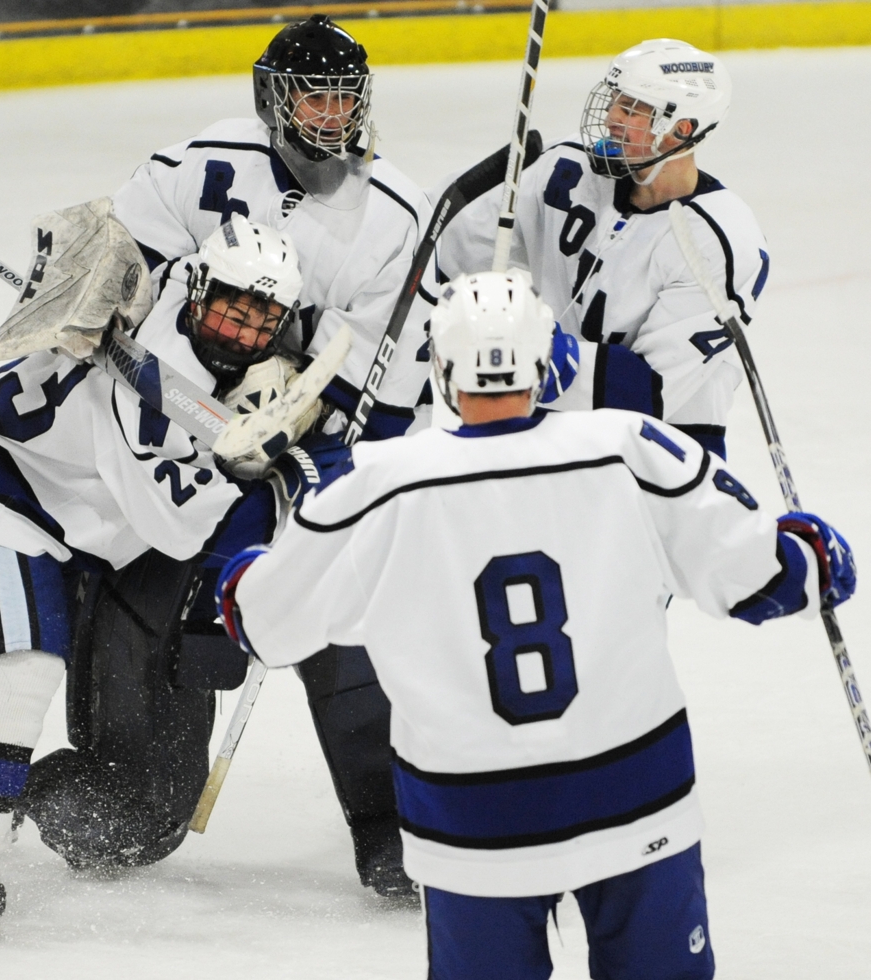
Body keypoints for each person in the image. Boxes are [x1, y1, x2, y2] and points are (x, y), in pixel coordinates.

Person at [214, 270, 856, 979]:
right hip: (637, 798)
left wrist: (245, 565)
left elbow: (264, 626)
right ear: (545, 364)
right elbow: (766, 581)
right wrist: (811, 553)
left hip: (474, 824)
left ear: (442, 367)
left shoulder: (376, 483)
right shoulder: (631, 446)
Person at [0, 214, 345, 942]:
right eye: (231, 299)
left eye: (263, 313)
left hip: (69, 502)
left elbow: (95, 235)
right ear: (197, 290)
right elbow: (180, 530)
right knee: (24, 663)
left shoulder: (166, 309)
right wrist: (264, 473)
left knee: (24, 633)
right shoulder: (146, 402)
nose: (242, 322)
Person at [111, 13, 437, 897]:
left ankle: (386, 830)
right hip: (169, 437)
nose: (331, 115)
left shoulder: (395, 215)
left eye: (344, 96)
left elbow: (386, 386)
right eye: (312, 94)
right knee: (95, 579)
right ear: (270, 96)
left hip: (305, 445)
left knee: (344, 624)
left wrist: (304, 437)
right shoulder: (193, 165)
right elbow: (117, 278)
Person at [436, 38, 769, 460]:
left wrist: (530, 345)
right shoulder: (569, 168)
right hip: (546, 430)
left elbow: (648, 391)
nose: (612, 118)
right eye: (615, 100)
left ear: (681, 129)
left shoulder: (721, 239)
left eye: (632, 109)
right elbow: (444, 244)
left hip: (662, 455)